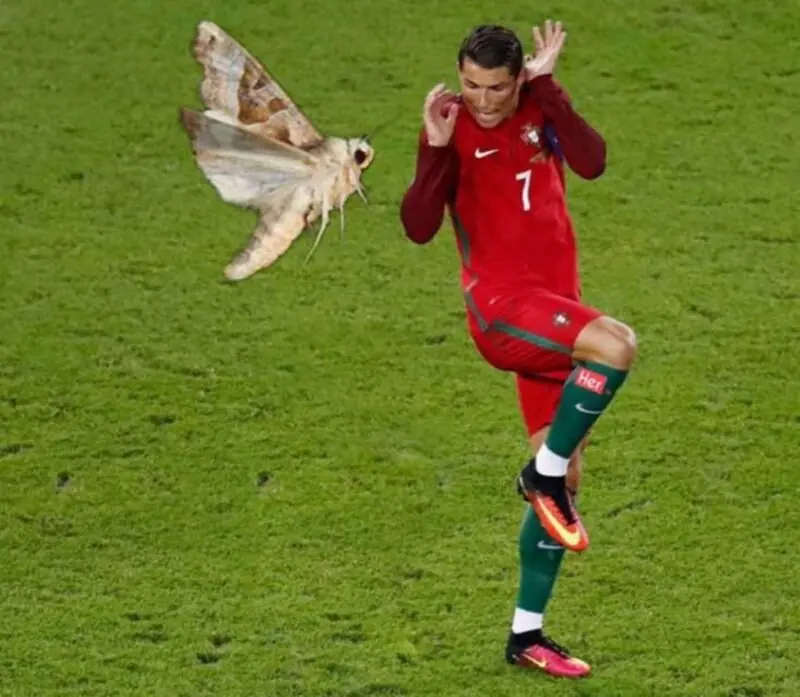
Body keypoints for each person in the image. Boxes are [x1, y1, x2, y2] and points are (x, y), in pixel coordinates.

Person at [399, 21, 637, 678]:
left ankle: (526, 635)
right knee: (617, 346)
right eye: (471, 85)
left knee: (570, 477)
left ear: (518, 80)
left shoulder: (540, 108)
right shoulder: (449, 127)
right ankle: (542, 476)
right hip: (503, 311)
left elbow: (592, 161)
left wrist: (550, 87)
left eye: (496, 88)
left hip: (556, 316)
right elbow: (418, 226)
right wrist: (434, 149)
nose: (482, 100)